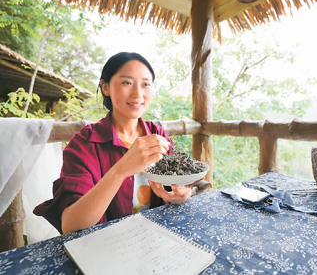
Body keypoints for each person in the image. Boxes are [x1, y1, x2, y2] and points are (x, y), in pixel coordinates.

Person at [34, 52, 196, 234]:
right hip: (106, 247)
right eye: (127, 82)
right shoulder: (85, 144)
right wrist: (121, 170)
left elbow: (177, 187)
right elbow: (71, 225)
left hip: (156, 238)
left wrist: (182, 195)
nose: (138, 93)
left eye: (146, 84)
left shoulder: (157, 134)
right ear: (105, 87)